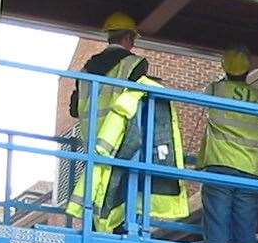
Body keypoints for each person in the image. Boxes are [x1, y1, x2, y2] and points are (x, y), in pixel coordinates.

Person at [65, 73, 189, 234]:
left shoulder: (86, 73)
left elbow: (75, 111)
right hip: (108, 149)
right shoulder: (134, 78)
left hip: (98, 145)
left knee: (106, 194)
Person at [198, 48, 258, 243]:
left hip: (221, 162)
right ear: (248, 70)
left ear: (224, 68)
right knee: (245, 225)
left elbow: (205, 97)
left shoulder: (216, 90)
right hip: (249, 168)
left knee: (217, 222)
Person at [69, 12, 149, 123]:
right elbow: (138, 101)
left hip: (88, 133)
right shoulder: (136, 63)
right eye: (133, 39)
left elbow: (74, 110)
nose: (133, 44)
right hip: (115, 132)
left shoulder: (87, 67)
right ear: (127, 37)